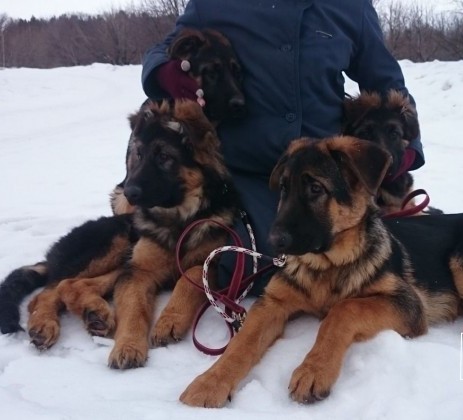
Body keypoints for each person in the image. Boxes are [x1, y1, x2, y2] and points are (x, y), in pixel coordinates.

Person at [141, 0, 424, 294]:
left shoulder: (351, 7)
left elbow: (387, 83)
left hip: (325, 173)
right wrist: (166, 74)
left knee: (385, 253)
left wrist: (406, 152)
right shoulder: (212, 4)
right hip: (244, 173)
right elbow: (162, 50)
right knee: (261, 260)